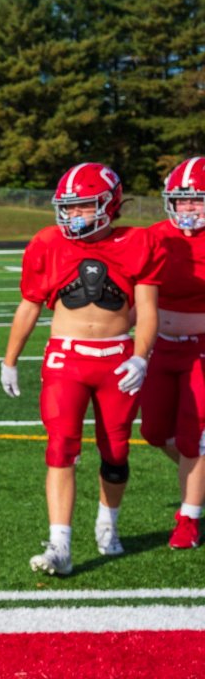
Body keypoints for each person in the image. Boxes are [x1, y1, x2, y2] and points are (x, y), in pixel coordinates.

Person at [1, 162, 162, 576]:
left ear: (109, 204)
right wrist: (10, 360)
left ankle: (108, 523)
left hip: (117, 358)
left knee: (116, 452)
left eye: (83, 206)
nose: (72, 215)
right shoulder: (48, 242)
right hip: (66, 358)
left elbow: (147, 310)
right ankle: (60, 544)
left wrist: (141, 356)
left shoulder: (138, 241)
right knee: (60, 448)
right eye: (68, 207)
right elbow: (29, 306)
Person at [140, 156, 205, 549]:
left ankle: (189, 518)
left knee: (193, 437)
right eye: (182, 199)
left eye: (196, 199)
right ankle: (198, 478)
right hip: (160, 348)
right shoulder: (154, 236)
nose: (187, 207)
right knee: (153, 431)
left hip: (202, 350)